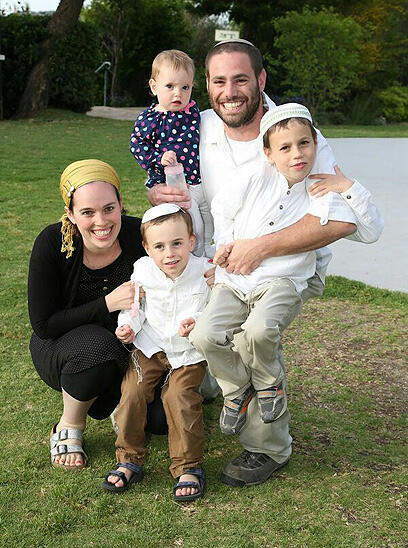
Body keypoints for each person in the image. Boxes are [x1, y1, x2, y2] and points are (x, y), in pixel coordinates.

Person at [146, 39, 383, 487]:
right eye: (218, 81)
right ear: (206, 85)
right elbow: (180, 182)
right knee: (209, 333)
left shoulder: (295, 133)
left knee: (253, 338)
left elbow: (339, 221)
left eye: (240, 79)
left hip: (281, 268)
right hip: (215, 260)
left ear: (260, 79)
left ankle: (267, 447)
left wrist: (260, 248)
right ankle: (225, 389)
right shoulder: (199, 126)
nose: (229, 92)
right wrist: (158, 189)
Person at [191, 103, 383, 440]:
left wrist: (347, 186)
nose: (297, 154)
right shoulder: (255, 177)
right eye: (285, 147)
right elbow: (222, 208)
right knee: (204, 335)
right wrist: (224, 245)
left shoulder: (322, 187)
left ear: (315, 143)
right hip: (235, 280)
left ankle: (269, 385)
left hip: (282, 280)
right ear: (268, 154)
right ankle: (237, 389)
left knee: (258, 331)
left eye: (304, 143)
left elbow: (369, 231)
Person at [28, 159, 167, 470]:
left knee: (160, 421)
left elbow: (176, 259)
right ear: (70, 213)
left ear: (120, 203)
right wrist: (107, 303)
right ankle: (70, 423)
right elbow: (44, 324)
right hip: (64, 346)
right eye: (87, 212)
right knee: (99, 346)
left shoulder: (138, 234)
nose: (101, 221)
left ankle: (121, 405)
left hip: (131, 344)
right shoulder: (52, 243)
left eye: (109, 208)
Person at [102, 204, 211, 501]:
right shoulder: (143, 270)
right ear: (148, 248)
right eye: (159, 246)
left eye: (177, 243)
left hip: (187, 352)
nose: (169, 254)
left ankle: (187, 466)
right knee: (132, 392)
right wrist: (127, 326)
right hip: (150, 346)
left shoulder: (205, 271)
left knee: (179, 397)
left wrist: (197, 322)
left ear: (191, 241)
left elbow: (213, 307)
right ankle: (129, 459)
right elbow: (135, 306)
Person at [130, 49, 213, 257]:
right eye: (170, 86)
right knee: (194, 225)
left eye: (185, 87)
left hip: (200, 180)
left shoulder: (192, 111)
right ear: (153, 86)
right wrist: (158, 158)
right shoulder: (150, 119)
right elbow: (137, 145)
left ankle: (207, 253)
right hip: (176, 183)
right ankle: (196, 258)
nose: (178, 93)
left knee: (210, 220)